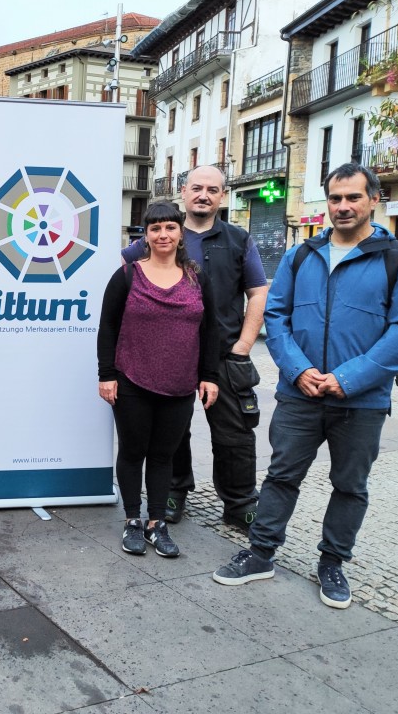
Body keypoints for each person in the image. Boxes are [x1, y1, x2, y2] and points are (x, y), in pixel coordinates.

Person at [213, 162, 398, 608]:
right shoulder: (300, 256)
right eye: (335, 198)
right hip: (299, 394)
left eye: (353, 197)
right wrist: (298, 370)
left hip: (362, 401)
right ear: (325, 202)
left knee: (350, 485)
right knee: (281, 476)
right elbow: (277, 316)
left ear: (374, 200)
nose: (343, 206)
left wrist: (346, 379)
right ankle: (261, 552)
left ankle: (332, 562)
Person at [122, 164, 267, 530]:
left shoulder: (238, 239)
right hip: (174, 356)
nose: (204, 195)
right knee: (173, 433)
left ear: (223, 195)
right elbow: (126, 272)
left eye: (213, 189)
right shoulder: (163, 233)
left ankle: (240, 504)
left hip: (225, 356)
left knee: (235, 434)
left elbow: (258, 292)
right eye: (197, 187)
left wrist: (244, 345)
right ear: (183, 192)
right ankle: (173, 493)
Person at [99, 201, 219, 559]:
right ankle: (133, 520)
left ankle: (157, 523)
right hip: (132, 379)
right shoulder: (128, 276)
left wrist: (209, 376)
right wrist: (107, 375)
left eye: (169, 227)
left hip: (180, 384)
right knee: (134, 451)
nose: (163, 234)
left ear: (180, 232)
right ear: (146, 235)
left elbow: (211, 330)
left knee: (164, 456)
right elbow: (107, 327)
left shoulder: (198, 278)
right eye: (155, 228)